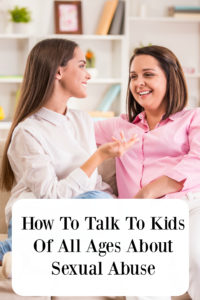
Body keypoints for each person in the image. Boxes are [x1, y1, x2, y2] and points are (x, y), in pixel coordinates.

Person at [0, 38, 137, 281]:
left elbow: (93, 187)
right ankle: (15, 249)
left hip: (71, 222)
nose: (88, 75)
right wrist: (98, 157)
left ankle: (23, 256)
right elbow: (51, 197)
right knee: (100, 201)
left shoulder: (82, 120)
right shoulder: (28, 131)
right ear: (59, 71)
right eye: (82, 65)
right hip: (36, 218)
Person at [95, 45, 200, 300]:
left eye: (148, 74)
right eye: (133, 76)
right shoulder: (119, 126)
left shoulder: (192, 118)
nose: (138, 83)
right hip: (140, 218)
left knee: (195, 257)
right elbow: (69, 130)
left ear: (170, 77)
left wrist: (149, 192)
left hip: (188, 206)